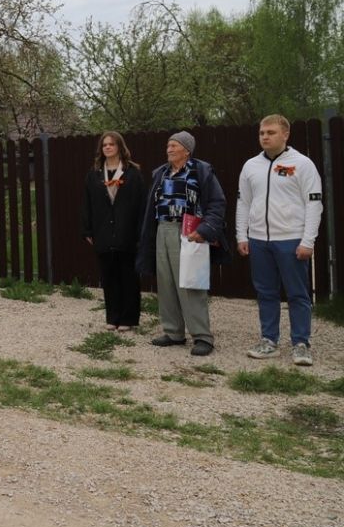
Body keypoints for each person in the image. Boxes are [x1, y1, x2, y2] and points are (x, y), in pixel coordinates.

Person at [236, 115, 323, 366]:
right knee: (266, 293)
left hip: (291, 239)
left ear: (285, 134)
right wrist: (242, 234)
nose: (265, 136)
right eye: (262, 132)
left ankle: (301, 343)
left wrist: (308, 240)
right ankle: (269, 340)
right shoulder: (250, 165)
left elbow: (314, 203)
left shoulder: (303, 164)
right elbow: (244, 202)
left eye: (271, 132)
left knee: (298, 294)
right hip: (259, 240)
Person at [137, 131, 228, 357]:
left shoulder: (200, 172)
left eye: (174, 145)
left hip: (189, 232)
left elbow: (217, 203)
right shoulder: (162, 172)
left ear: (187, 150)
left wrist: (205, 230)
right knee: (166, 283)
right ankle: (173, 332)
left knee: (190, 283)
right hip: (163, 230)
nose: (169, 149)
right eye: (168, 145)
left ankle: (202, 337)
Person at [80, 131, 147, 332]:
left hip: (127, 232)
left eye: (111, 144)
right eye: (104, 145)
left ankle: (128, 318)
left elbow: (141, 205)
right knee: (108, 276)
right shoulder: (94, 174)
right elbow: (86, 204)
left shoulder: (133, 173)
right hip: (103, 232)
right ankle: (113, 316)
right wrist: (87, 230)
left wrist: (139, 232)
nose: (107, 147)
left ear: (120, 147)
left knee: (128, 276)